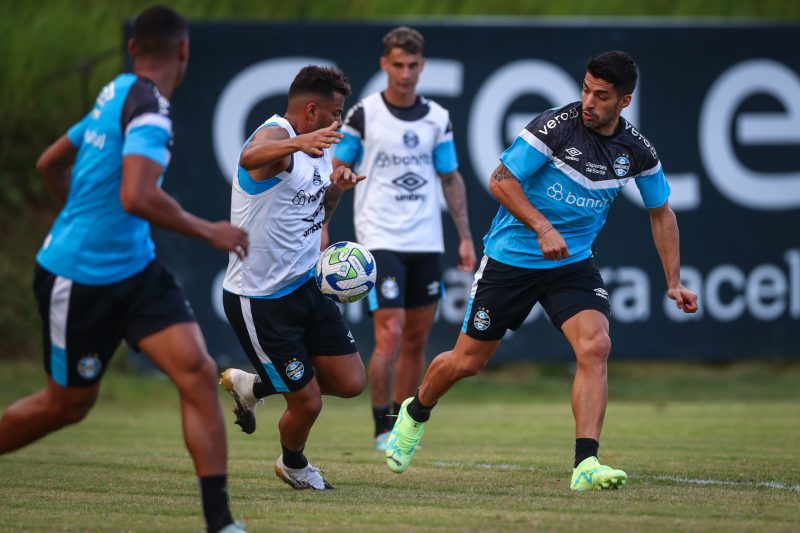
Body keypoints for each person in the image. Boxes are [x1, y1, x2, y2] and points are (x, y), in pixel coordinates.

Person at [383, 51, 699, 491]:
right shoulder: (555, 126)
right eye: (586, 89)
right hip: (511, 259)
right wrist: (543, 227)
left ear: (624, 102)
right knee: (466, 362)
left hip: (571, 264)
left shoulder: (637, 151)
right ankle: (415, 412)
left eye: (601, 95)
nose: (588, 100)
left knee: (596, 345)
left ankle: (586, 463)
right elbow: (500, 180)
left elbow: (661, 212)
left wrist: (673, 281)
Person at [0, 6, 248, 532]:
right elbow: (136, 196)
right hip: (77, 277)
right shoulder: (150, 109)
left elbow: (50, 163)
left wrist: (79, 212)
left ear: (133, 49)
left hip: (136, 271)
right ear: (183, 52)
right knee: (66, 406)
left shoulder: (114, 91)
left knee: (198, 372)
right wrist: (210, 230)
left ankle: (220, 522)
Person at [219, 65, 366, 491]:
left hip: (306, 284)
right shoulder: (277, 137)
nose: (338, 122)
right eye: (335, 113)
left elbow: (317, 214)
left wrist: (337, 185)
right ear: (312, 109)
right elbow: (249, 157)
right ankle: (294, 464)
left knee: (350, 382)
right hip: (260, 298)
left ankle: (254, 384)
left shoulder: (318, 151)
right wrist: (299, 142)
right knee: (308, 402)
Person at [331, 26, 477, 450]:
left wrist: (464, 237)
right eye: (398, 65)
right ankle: (379, 427)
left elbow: (450, 178)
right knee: (390, 333)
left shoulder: (437, 118)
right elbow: (337, 173)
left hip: (426, 241)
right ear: (384, 65)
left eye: (413, 65)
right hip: (380, 238)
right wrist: (322, 223)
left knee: (416, 339)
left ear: (422, 66)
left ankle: (398, 422)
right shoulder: (363, 114)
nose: (406, 73)